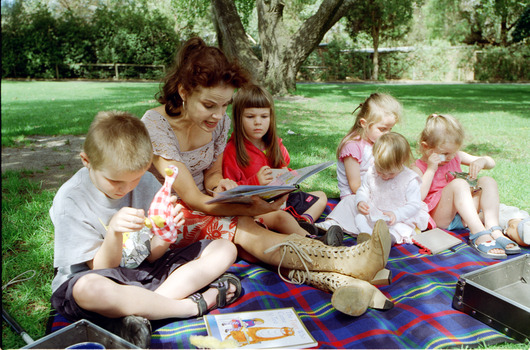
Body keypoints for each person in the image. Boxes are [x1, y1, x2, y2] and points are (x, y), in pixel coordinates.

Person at [141, 37, 393, 315]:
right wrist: (250, 206)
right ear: (184, 91)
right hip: (169, 220)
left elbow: (211, 175)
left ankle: (340, 280)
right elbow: (192, 199)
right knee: (245, 227)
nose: (219, 116)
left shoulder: (218, 120)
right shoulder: (156, 125)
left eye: (226, 105)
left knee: (252, 241)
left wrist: (221, 184)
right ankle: (345, 260)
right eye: (210, 105)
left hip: (207, 206)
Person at [50, 111, 241, 348]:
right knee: (87, 289)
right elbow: (100, 268)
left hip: (144, 272)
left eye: (135, 179)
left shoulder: (148, 182)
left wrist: (165, 233)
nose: (127, 188)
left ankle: (143, 311)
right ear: (87, 161)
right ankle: (190, 306)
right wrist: (114, 233)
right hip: (101, 278)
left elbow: (152, 254)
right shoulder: (72, 199)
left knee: (224, 248)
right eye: (115, 181)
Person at [222, 83, 342, 246]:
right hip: (256, 210)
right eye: (250, 117)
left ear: (271, 118)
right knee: (282, 218)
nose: (258, 122)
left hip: (283, 199)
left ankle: (303, 222)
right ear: (238, 118)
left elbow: (287, 170)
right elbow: (231, 192)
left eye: (264, 117)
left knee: (321, 196)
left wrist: (289, 176)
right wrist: (255, 181)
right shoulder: (232, 151)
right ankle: (315, 243)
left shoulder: (274, 145)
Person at [412, 113, 521, 259]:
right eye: (445, 154)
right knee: (459, 184)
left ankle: (493, 229)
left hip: (464, 214)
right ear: (426, 148)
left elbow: (491, 163)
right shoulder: (418, 167)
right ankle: (478, 232)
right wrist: (431, 169)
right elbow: (418, 197)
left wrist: (482, 161)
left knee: (487, 180)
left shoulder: (455, 156)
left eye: (454, 152)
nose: (450, 157)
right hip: (442, 218)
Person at [315, 93, 403, 236]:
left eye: (390, 129)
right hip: (357, 195)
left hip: (376, 190)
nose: (387, 134)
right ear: (364, 123)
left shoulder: (378, 141)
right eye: (383, 129)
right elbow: (355, 186)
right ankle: (332, 225)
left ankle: (383, 232)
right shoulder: (353, 146)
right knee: (354, 205)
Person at [354, 132, 430, 245]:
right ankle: (368, 235)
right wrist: (361, 200)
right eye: (380, 171)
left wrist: (397, 214)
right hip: (374, 212)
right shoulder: (371, 172)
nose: (384, 176)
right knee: (357, 215)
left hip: (397, 217)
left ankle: (388, 239)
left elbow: (414, 205)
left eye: (390, 173)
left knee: (400, 228)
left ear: (401, 162)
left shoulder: (409, 179)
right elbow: (363, 189)